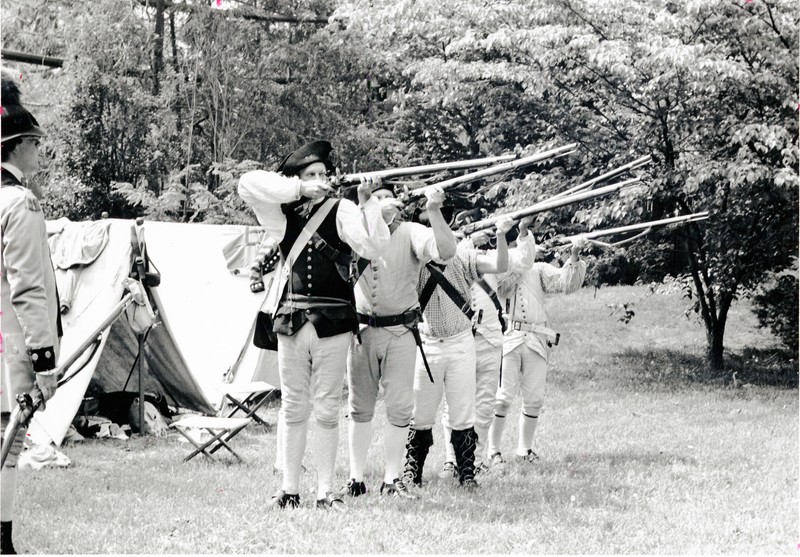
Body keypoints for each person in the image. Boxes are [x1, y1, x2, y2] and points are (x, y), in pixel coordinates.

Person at [238, 140, 390, 511]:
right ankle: (289, 489)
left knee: (325, 409)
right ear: (298, 180)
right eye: (311, 175)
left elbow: (373, 247)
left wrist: (367, 200)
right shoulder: (282, 212)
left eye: (323, 174)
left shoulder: (344, 209)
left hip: (334, 322)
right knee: (292, 407)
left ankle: (324, 490)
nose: (320, 179)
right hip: (292, 321)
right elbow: (246, 183)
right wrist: (298, 190)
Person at [341, 183, 456, 499]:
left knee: (400, 408)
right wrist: (365, 206)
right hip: (361, 331)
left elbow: (446, 250)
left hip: (400, 332)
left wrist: (433, 210)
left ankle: (392, 479)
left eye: (384, 198)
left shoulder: (410, 231)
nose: (381, 204)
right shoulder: (357, 227)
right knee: (359, 407)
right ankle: (355, 478)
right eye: (374, 199)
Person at [402, 215, 514, 489]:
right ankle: (412, 473)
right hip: (428, 344)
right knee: (422, 413)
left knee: (463, 412)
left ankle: (467, 473)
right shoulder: (415, 263)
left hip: (462, 342)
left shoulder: (463, 259)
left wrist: (500, 235)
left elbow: (500, 264)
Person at [1, 76, 62, 555]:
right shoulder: (20, 203)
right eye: (35, 144)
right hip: (12, 345)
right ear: (17, 146)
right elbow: (27, 287)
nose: (40, 152)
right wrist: (44, 362)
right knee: (7, 448)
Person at [438, 218, 536, 478]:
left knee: (484, 403)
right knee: (455, 403)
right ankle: (451, 459)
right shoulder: (450, 256)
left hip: (489, 337)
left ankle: (475, 458)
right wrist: (469, 241)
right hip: (459, 337)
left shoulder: (494, 259)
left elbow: (523, 261)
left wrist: (515, 234)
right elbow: (449, 257)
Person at [486, 235, 588, 464]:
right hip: (509, 338)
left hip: (536, 339)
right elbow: (503, 287)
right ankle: (493, 451)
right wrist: (524, 259)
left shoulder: (539, 269)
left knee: (534, 398)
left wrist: (574, 254)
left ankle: (524, 450)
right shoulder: (499, 265)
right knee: (502, 398)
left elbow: (566, 283)